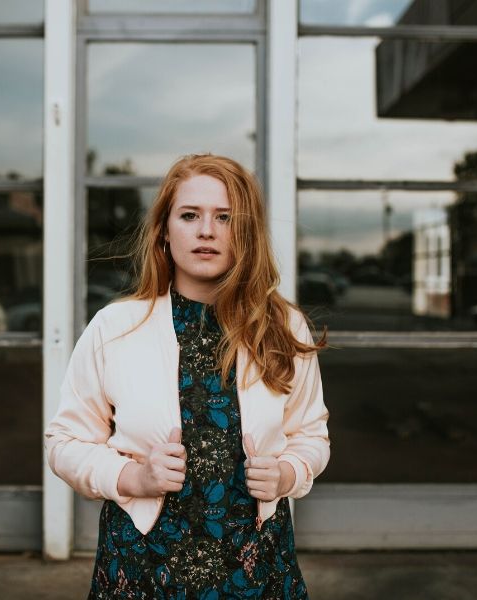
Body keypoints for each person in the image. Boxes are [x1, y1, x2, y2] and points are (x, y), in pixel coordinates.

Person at [44, 153, 330, 599]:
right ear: (164, 230)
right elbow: (64, 442)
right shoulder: (115, 327)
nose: (206, 231)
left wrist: (287, 475)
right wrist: (132, 479)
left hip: (256, 569)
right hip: (141, 568)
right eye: (190, 215)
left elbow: (311, 435)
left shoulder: (282, 326)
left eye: (225, 217)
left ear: (246, 232)